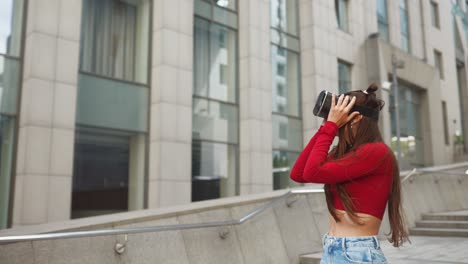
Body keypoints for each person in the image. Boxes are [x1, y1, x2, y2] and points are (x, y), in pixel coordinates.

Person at [290, 84, 410, 263]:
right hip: (333, 250)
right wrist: (325, 127)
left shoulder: (376, 152)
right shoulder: (345, 154)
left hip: (356, 253)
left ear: (355, 118)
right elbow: (299, 174)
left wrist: (331, 126)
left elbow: (313, 172)